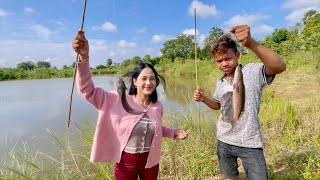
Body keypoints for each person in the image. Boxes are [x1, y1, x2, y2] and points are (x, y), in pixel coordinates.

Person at [72, 30, 188, 180]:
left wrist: (174, 133)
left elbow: (156, 128)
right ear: (135, 81)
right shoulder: (117, 99)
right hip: (126, 163)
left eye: (152, 79)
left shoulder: (157, 105)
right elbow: (87, 90)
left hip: (151, 162)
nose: (149, 82)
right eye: (144, 78)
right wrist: (84, 58)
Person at [193, 25, 286, 180]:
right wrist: (203, 99)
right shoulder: (220, 82)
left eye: (228, 58)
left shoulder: (251, 72)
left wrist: (250, 43)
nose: (224, 64)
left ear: (237, 55)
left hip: (250, 142)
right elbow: (218, 105)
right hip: (224, 140)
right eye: (219, 61)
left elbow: (279, 66)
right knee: (229, 177)